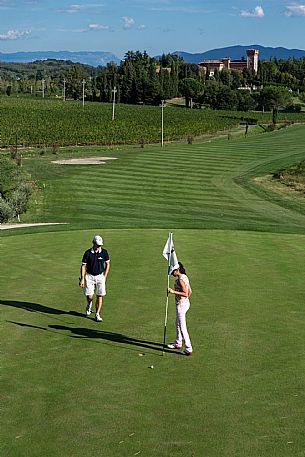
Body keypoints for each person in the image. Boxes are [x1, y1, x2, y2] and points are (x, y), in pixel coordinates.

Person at [79, 235, 110, 322]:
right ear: (93, 243)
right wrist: (82, 279)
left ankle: (97, 314)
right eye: (97, 245)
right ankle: (89, 304)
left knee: (99, 295)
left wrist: (105, 276)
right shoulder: (88, 253)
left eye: (100, 245)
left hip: (100, 276)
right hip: (89, 276)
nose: (99, 247)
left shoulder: (104, 252)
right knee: (89, 296)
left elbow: (107, 264)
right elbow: (83, 266)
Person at [167, 262, 193, 356]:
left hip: (181, 305)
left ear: (177, 270)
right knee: (177, 323)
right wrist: (185, 300)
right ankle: (178, 342)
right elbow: (190, 291)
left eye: (172, 271)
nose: (171, 273)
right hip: (185, 303)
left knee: (182, 327)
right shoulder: (185, 277)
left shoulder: (180, 280)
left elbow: (185, 293)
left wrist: (172, 291)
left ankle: (188, 348)